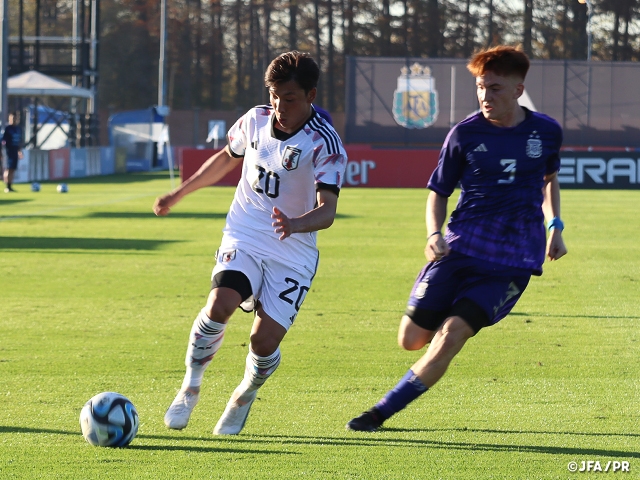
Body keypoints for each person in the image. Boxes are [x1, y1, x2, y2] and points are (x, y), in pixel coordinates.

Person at [346, 45, 567, 432]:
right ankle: (440, 316)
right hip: (461, 247)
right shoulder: (464, 133)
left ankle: (378, 414)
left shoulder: (547, 132)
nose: (485, 96)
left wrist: (555, 226)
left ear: (518, 89)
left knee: (450, 337)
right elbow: (438, 192)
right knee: (412, 340)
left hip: (512, 261)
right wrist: (433, 233)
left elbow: (549, 180)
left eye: (495, 88)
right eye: (481, 87)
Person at [154, 51, 347, 435]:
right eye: (274, 95)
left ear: (310, 95)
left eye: (289, 98)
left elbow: (327, 211)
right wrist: (179, 194)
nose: (279, 105)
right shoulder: (255, 119)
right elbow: (225, 160)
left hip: (293, 250)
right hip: (246, 231)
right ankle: (190, 386)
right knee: (219, 303)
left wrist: (295, 223)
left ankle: (245, 394)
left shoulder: (324, 143)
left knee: (263, 340)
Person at [1, 112, 23, 193]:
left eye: (15, 118)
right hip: (8, 152)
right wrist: (2, 151)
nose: (14, 120)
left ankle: (10, 186)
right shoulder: (7, 129)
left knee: (13, 169)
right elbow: (3, 141)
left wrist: (20, 151)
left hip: (15, 151)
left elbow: (19, 141)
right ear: (9, 119)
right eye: (12, 118)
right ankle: (7, 186)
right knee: (8, 168)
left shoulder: (18, 129)